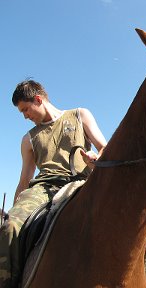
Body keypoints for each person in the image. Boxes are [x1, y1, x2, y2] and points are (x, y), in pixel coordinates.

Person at [0, 80, 107, 288]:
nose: (25, 116)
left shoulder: (80, 115)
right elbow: (25, 179)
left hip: (81, 182)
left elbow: (104, 147)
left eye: (26, 109)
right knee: (10, 227)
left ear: (38, 99)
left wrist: (95, 159)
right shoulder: (28, 139)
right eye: (22, 112)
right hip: (44, 188)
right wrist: (15, 211)